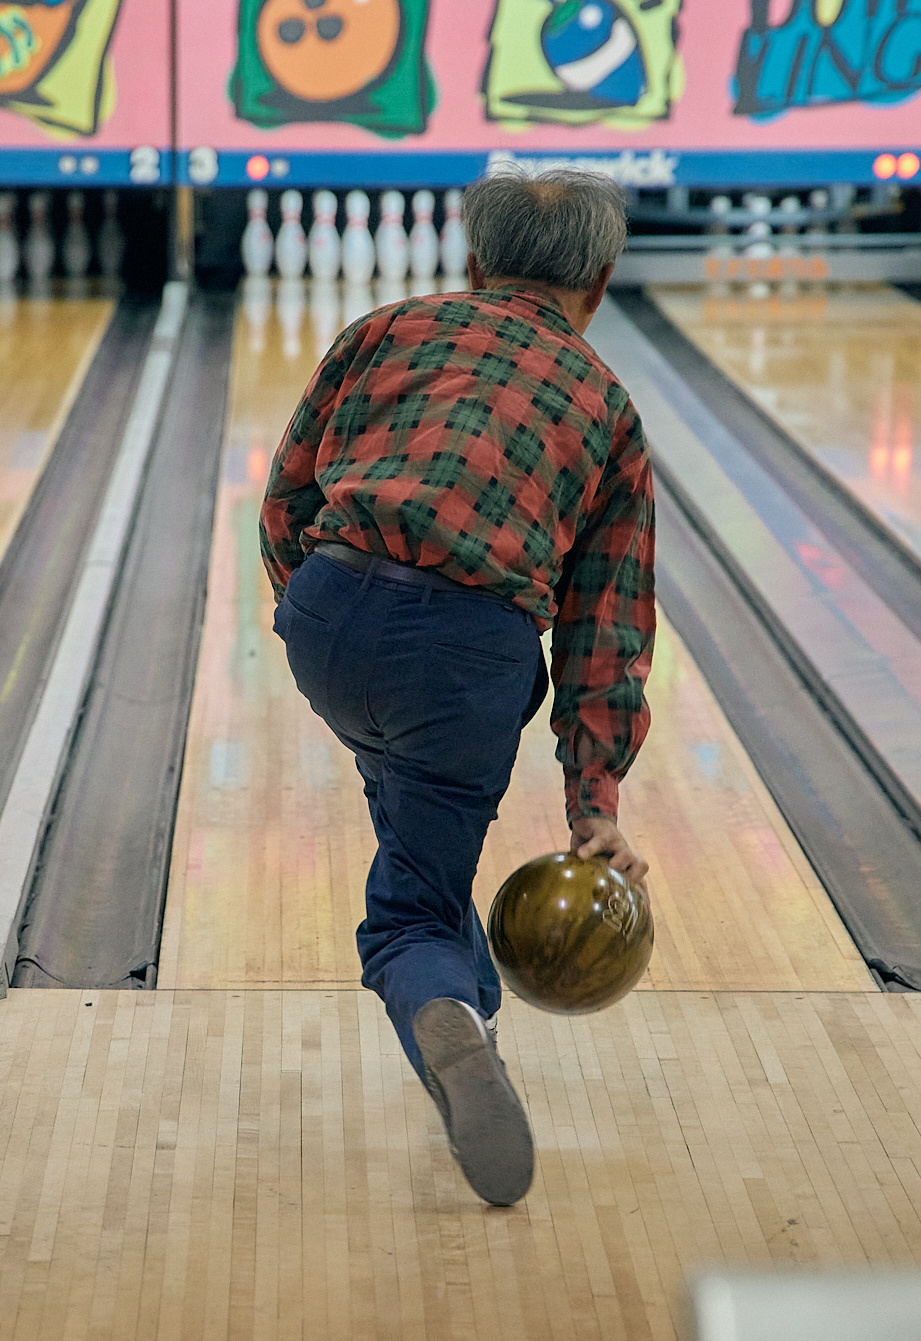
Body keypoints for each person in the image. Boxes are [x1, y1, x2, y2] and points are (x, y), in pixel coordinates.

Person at [257, 168, 655, 1208]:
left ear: (472, 262)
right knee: (410, 913)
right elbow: (604, 627)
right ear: (599, 282)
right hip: (466, 658)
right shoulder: (605, 405)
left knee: (407, 800)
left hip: (329, 615)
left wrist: (313, 612)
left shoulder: (382, 329)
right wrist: (592, 809)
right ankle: (442, 1002)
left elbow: (286, 493)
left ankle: (463, 1013)